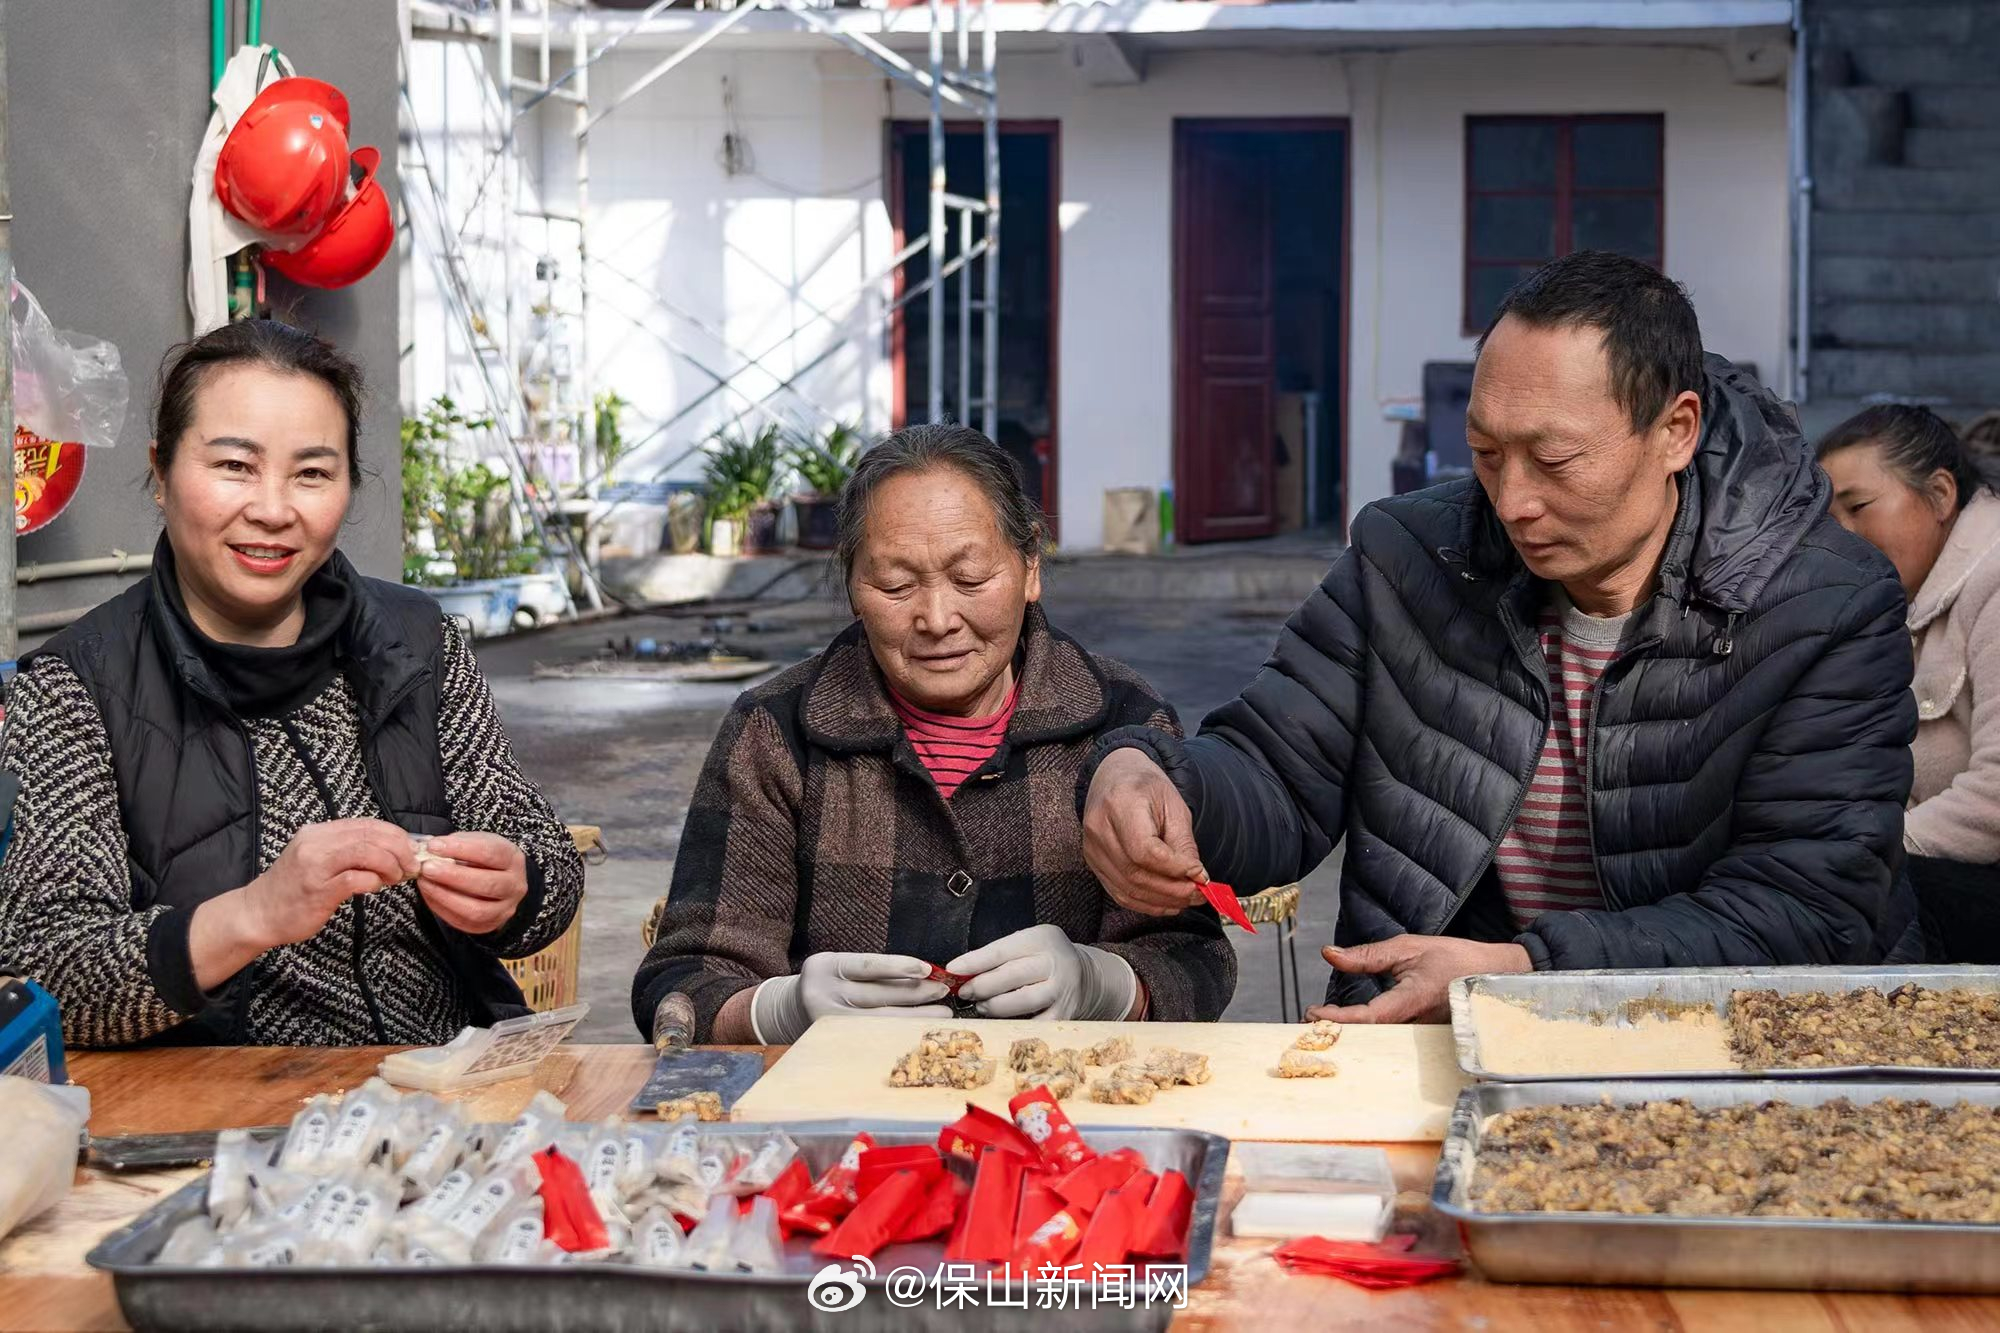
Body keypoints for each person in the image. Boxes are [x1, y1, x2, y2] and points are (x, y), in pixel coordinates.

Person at [1081, 250, 1919, 1023]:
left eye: (1554, 461)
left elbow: (1806, 907)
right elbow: (1277, 768)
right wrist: (1154, 776)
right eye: (1485, 453)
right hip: (1435, 1033)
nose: (1513, 501)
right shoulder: (1408, 557)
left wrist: (1523, 974)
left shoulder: (1823, 603)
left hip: (1720, 1046)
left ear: (1676, 431)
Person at [0, 320, 584, 1047]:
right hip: (218, 1103)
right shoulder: (75, 687)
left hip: (447, 1079)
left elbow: (548, 859)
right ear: (160, 472)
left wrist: (519, 886)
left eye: (311, 473)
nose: (273, 510)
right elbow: (45, 970)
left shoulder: (418, 644)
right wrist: (253, 914)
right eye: (235, 466)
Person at [632, 423, 1234, 1044]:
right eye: (895, 586)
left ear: (1030, 566)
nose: (938, 619)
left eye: (970, 578)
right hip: (838, 1098)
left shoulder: (1123, 726)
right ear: (852, 585)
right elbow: (682, 985)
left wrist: (1107, 985)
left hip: (1065, 1098)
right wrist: (776, 1011)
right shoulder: (775, 732)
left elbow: (1194, 963)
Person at [1818, 405, 2000, 961]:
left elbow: (1996, 799)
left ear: (1940, 495)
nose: (1842, 535)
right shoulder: (1889, 607)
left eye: (1858, 507)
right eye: (1829, 518)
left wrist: (1857, 855)